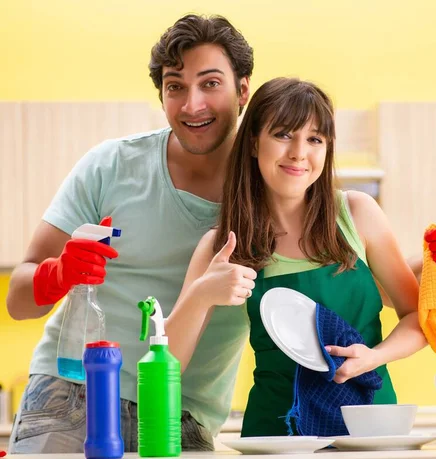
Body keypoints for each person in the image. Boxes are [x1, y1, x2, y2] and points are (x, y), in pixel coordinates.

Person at [166, 77, 436, 437]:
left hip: (372, 428)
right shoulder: (223, 245)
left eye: (315, 139)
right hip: (278, 434)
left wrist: (374, 357)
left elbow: (418, 318)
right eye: (283, 134)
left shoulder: (356, 215)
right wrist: (202, 295)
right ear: (254, 143)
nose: (299, 152)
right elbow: (167, 361)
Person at [6, 14, 254, 453]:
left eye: (210, 83)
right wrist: (57, 274)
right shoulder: (111, 166)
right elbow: (19, 301)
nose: (192, 104)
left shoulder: (271, 188)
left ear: (243, 90)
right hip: (73, 395)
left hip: (183, 416)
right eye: (175, 86)